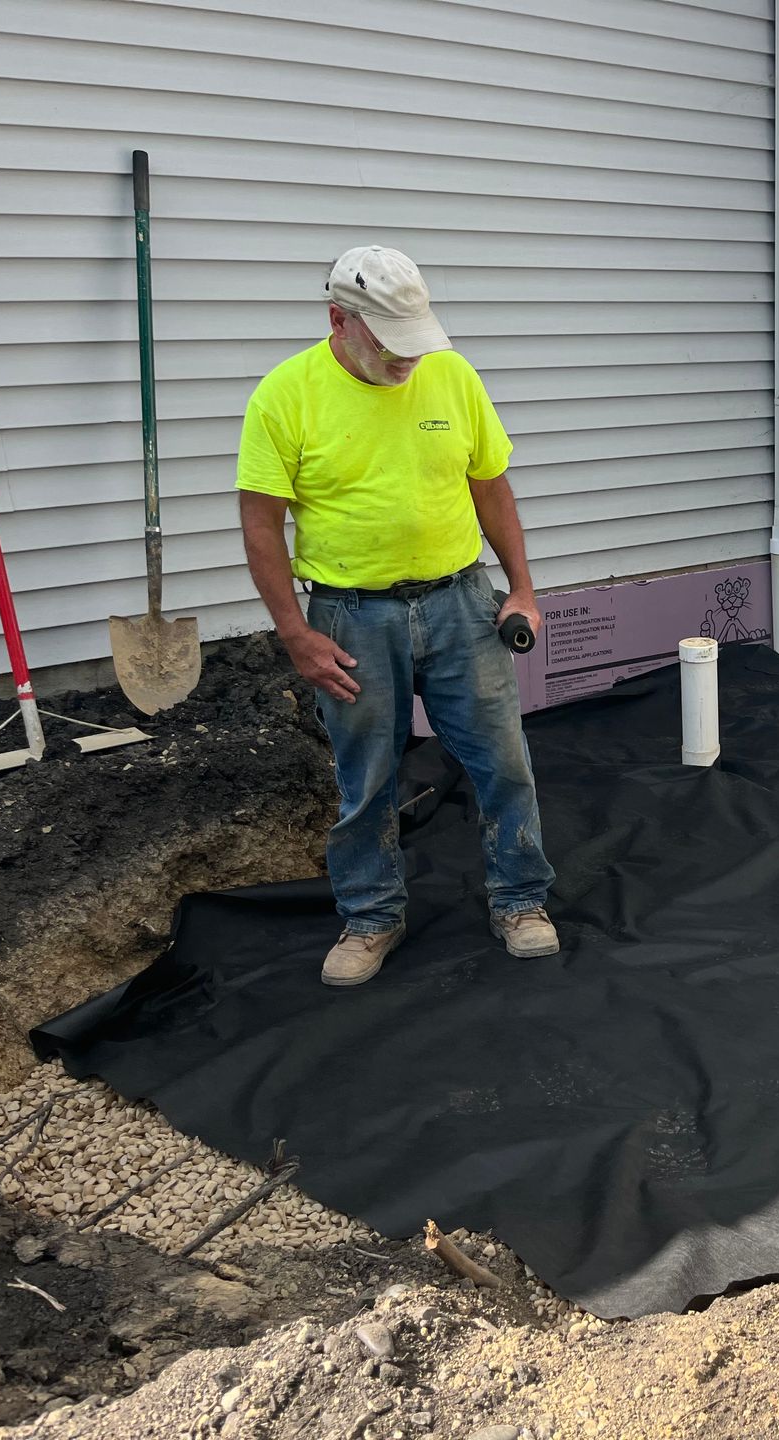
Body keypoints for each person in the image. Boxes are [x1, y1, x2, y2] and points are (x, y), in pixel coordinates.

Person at [237, 245, 558, 987]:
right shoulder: (285, 396)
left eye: (416, 340)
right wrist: (297, 634)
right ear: (337, 320)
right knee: (367, 776)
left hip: (460, 602)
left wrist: (522, 588)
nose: (409, 359)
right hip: (352, 618)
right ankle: (372, 916)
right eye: (389, 343)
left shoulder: (451, 374)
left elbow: (492, 489)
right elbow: (260, 525)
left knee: (503, 763)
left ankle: (521, 900)